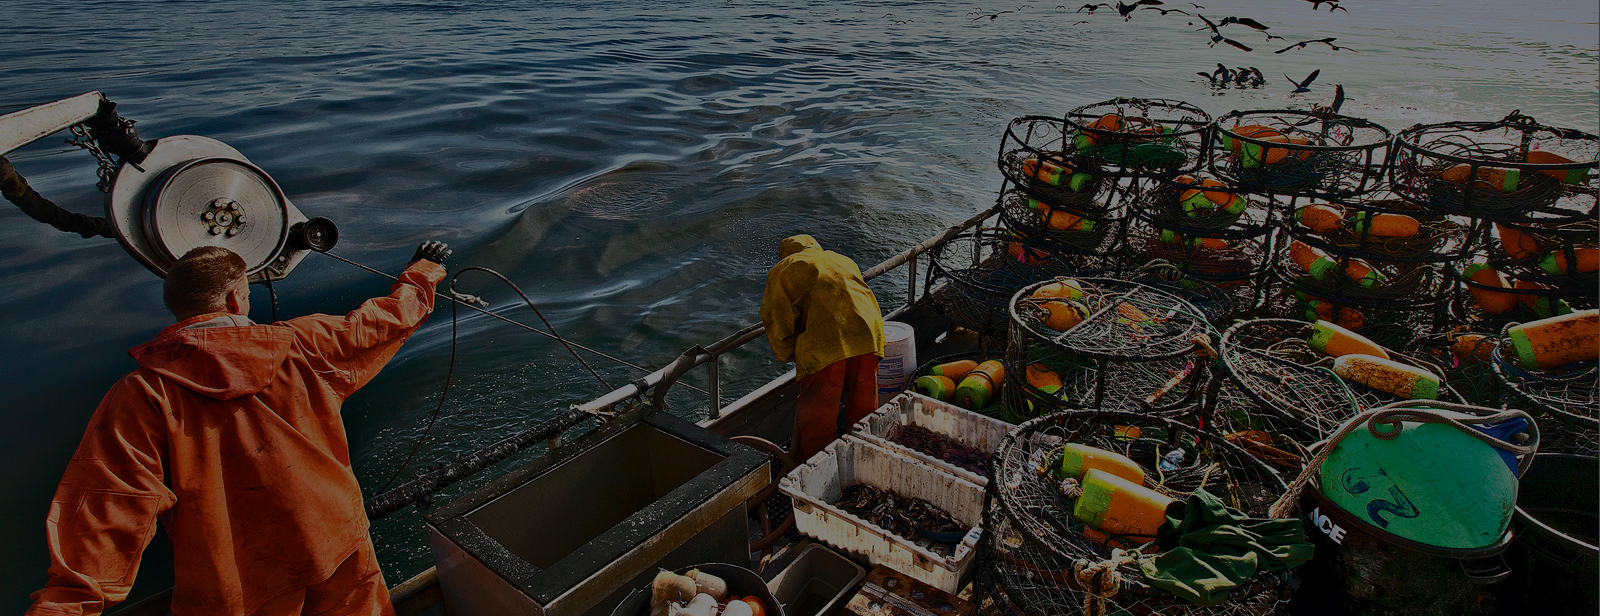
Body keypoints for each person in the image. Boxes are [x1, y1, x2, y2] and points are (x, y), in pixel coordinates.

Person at [27, 241, 452, 616]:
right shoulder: (301, 342)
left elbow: (108, 508)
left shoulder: (142, 395)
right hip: (335, 541)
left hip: (235, 576)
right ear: (235, 299)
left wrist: (65, 605)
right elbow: (381, 323)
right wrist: (422, 272)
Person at [760, 234, 885, 462]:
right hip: (869, 335)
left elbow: (776, 317)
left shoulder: (784, 267)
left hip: (828, 346)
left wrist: (791, 353)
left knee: (818, 424)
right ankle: (867, 463)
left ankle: (819, 477)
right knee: (864, 414)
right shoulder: (840, 259)